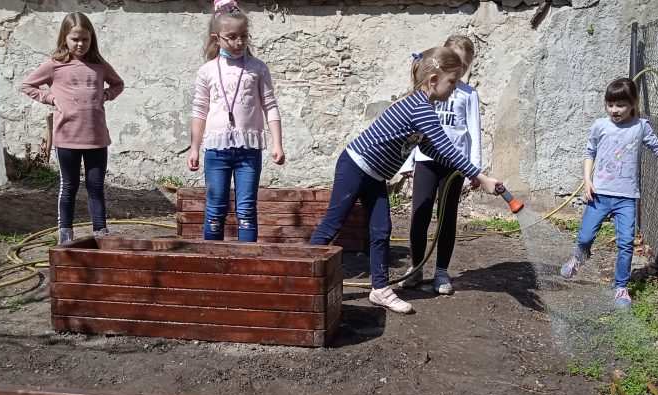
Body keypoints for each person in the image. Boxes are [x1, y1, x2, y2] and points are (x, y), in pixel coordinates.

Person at [310, 47, 502, 315]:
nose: (454, 88)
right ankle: (302, 279)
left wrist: (469, 172)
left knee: (381, 230)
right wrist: (480, 176)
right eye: (452, 82)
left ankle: (380, 289)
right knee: (332, 225)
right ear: (433, 80)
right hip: (355, 166)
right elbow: (446, 148)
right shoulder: (419, 107)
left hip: (375, 174)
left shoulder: (424, 106)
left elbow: (432, 149)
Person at [559, 77, 658, 306]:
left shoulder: (641, 127)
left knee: (626, 243)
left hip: (626, 198)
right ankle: (578, 258)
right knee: (586, 236)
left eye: (620, 105)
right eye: (610, 105)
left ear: (633, 104)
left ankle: (620, 287)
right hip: (599, 194)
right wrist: (587, 180)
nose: (614, 110)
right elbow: (590, 153)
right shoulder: (600, 125)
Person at [21, 12, 124, 245]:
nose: (80, 44)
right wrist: (50, 98)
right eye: (74, 39)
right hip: (67, 138)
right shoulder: (54, 66)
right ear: (64, 38)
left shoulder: (99, 65)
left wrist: (106, 94)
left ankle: (101, 231)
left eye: (85, 39)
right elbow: (27, 85)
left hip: (96, 138)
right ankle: (65, 232)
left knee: (96, 186)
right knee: (69, 186)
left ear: (91, 38)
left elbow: (118, 84)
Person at [187, 0, 285, 242]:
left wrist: (277, 143)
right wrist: (194, 147)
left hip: (248, 150)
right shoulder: (207, 71)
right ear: (216, 38)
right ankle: (212, 258)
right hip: (216, 150)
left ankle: (247, 261)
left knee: (247, 210)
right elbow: (200, 110)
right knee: (214, 210)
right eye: (231, 37)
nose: (239, 42)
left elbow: (270, 105)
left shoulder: (257, 68)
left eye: (243, 36)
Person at [399, 35, 482, 296]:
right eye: (455, 61)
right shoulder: (430, 89)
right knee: (420, 213)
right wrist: (408, 160)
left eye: (465, 65)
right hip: (426, 160)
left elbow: (474, 132)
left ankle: (442, 271)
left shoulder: (469, 94)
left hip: (455, 165)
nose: (460, 69)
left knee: (447, 217)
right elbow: (413, 128)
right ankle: (415, 267)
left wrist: (475, 168)